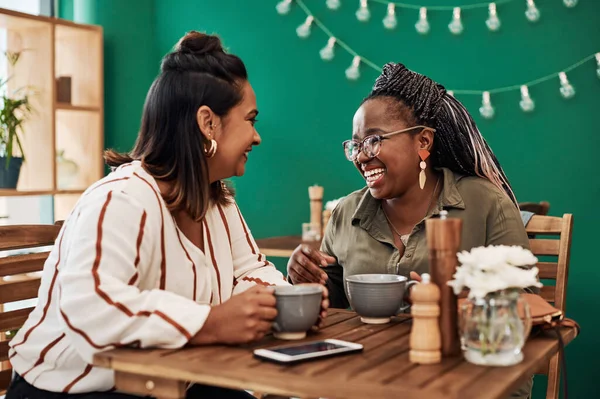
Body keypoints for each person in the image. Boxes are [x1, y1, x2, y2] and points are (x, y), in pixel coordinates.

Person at [7, 31, 328, 399]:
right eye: (250, 120)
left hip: (172, 377)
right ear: (208, 123)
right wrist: (211, 323)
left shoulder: (217, 201)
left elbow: (252, 271)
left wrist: (289, 305)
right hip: (73, 390)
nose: (256, 138)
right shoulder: (121, 198)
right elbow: (92, 309)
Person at [287, 62, 532, 398]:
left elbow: (522, 320)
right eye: (355, 146)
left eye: (373, 141)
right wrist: (303, 281)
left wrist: (445, 308)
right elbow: (329, 310)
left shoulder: (486, 205)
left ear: (424, 142)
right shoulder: (346, 213)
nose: (361, 156)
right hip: (360, 387)